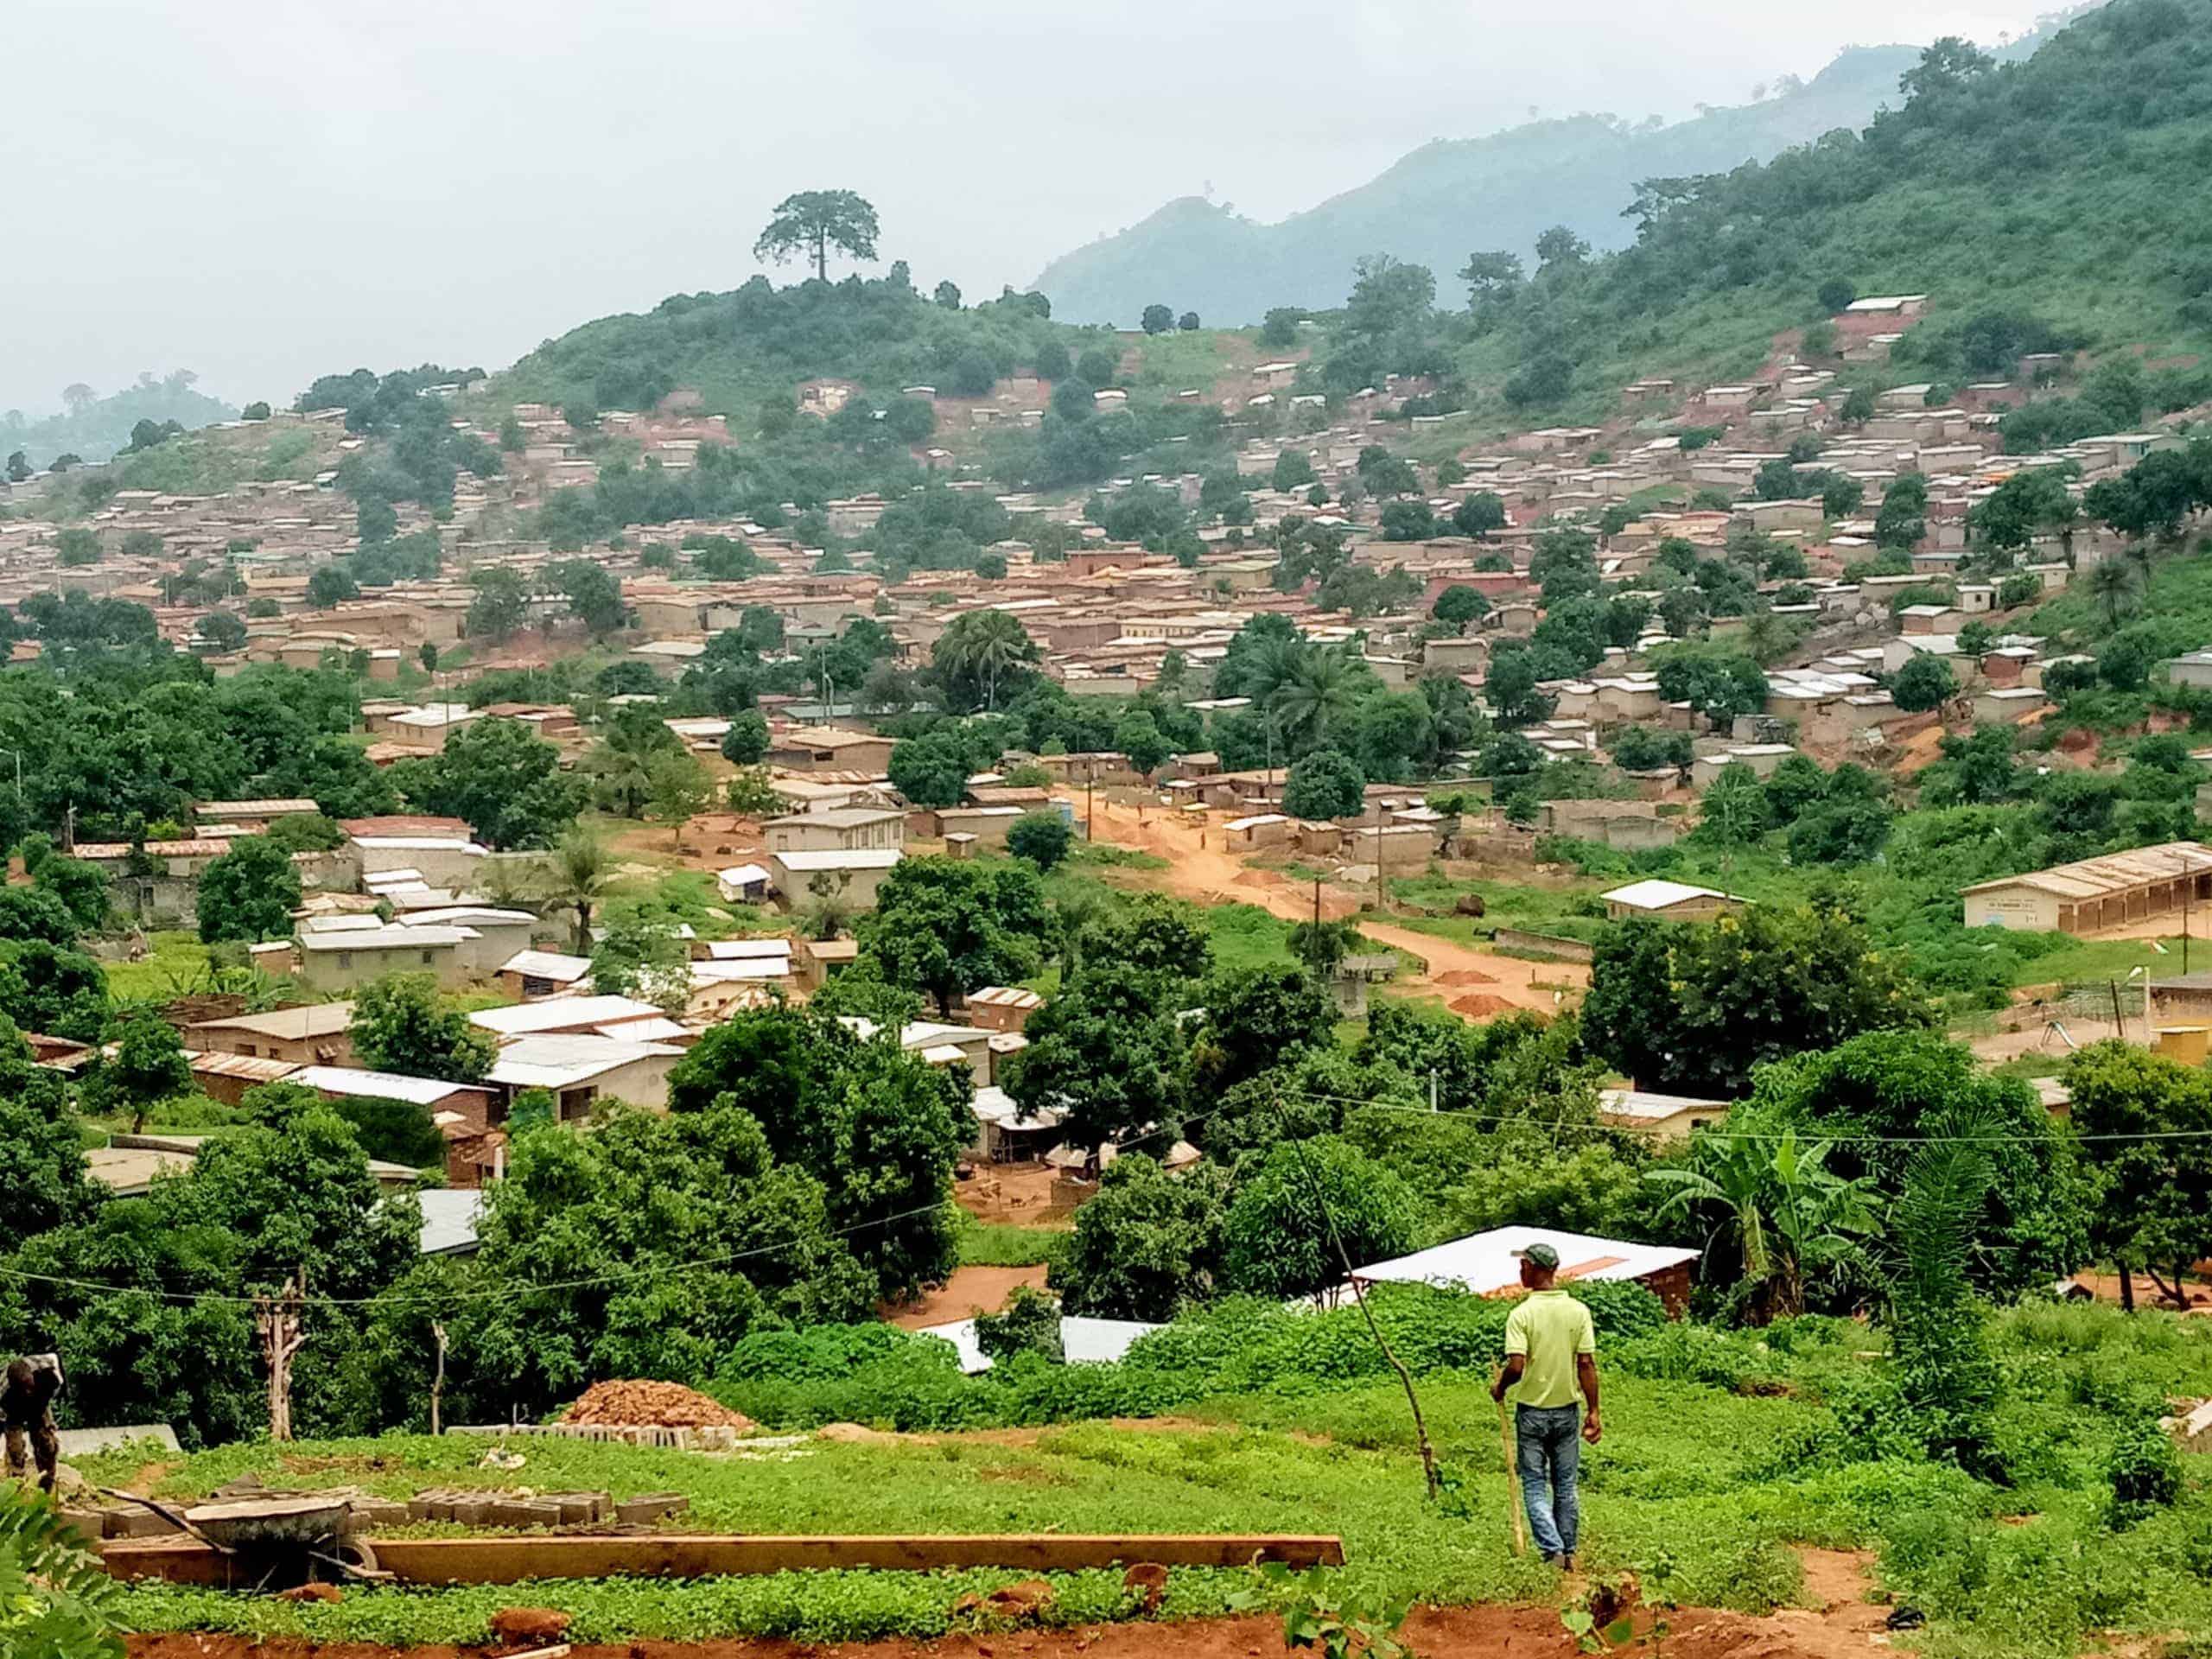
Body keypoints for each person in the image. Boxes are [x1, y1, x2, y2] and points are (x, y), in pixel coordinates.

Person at [1491, 1242, 1601, 1569]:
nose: (1520, 1270)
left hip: (1533, 1414)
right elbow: (1586, 1364)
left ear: (1534, 1269)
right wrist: (1594, 1410)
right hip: (1568, 1410)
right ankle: (1568, 1550)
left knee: (1535, 1483)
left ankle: (1552, 1551)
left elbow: (1516, 1366)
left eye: (1523, 1265)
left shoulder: (1521, 1315)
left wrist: (1500, 1388)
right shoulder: (1578, 1312)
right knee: (1565, 1484)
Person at [3, 1338, 65, 1496]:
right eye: (24, 1389)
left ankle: (47, 1487)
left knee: (46, 1443)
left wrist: (45, 1423)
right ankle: (15, 1490)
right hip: (13, 1410)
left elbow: (55, 1360)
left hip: (39, 1404)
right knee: (15, 1449)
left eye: (29, 1387)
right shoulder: (4, 1392)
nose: (28, 1392)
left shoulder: (47, 1372)